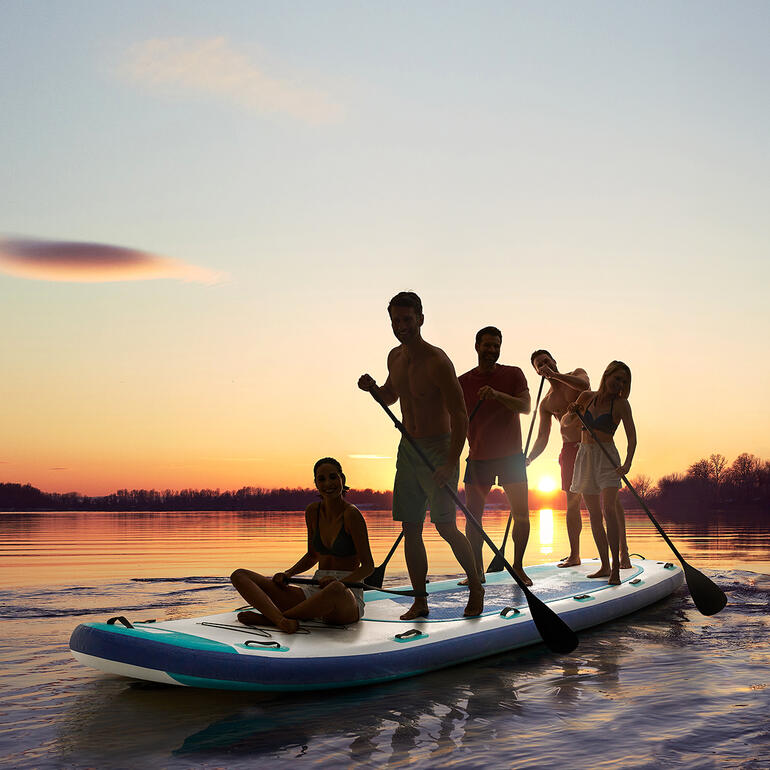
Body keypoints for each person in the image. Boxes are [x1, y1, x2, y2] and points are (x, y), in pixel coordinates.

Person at [358, 291, 483, 619]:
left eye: (407, 320)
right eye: (396, 321)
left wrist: (450, 460)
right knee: (410, 528)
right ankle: (420, 600)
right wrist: (373, 390)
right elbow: (390, 396)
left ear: (421, 319)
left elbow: (460, 414)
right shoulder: (394, 358)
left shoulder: (438, 361)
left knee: (445, 527)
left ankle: (476, 586)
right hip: (408, 451)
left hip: (440, 449)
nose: (401, 326)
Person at [230, 457, 374, 632]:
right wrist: (289, 573)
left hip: (345, 595)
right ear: (316, 484)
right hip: (315, 590)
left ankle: (276, 619)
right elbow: (312, 555)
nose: (328, 483)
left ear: (342, 478)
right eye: (322, 479)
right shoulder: (312, 511)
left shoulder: (352, 514)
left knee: (335, 588)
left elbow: (368, 567)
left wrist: (339, 581)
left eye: (333, 477)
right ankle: (280, 619)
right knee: (239, 575)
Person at [458, 326, 532, 586]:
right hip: (478, 457)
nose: (491, 350)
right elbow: (452, 421)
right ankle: (476, 571)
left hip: (511, 456)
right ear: (477, 346)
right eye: (487, 345)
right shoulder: (462, 382)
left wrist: (497, 394)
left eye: (496, 345)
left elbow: (525, 407)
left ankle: (519, 568)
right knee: (473, 518)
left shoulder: (513, 374)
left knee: (521, 515)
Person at [568, 361, 637, 585]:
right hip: (585, 456)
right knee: (594, 515)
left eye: (624, 381)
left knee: (609, 509)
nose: (619, 384)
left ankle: (616, 567)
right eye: (617, 378)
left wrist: (627, 464)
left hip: (608, 458)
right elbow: (568, 423)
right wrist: (571, 411)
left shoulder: (621, 405)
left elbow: (632, 438)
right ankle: (605, 566)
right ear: (607, 375)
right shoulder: (586, 396)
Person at [527, 350, 590, 567]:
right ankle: (575, 555)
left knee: (604, 502)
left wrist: (555, 376)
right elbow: (543, 437)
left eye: (547, 361)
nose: (545, 365)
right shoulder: (546, 403)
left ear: (554, 361)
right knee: (572, 504)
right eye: (539, 364)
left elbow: (584, 386)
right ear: (537, 371)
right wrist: (529, 458)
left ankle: (622, 553)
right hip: (569, 450)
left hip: (592, 445)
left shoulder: (577, 374)